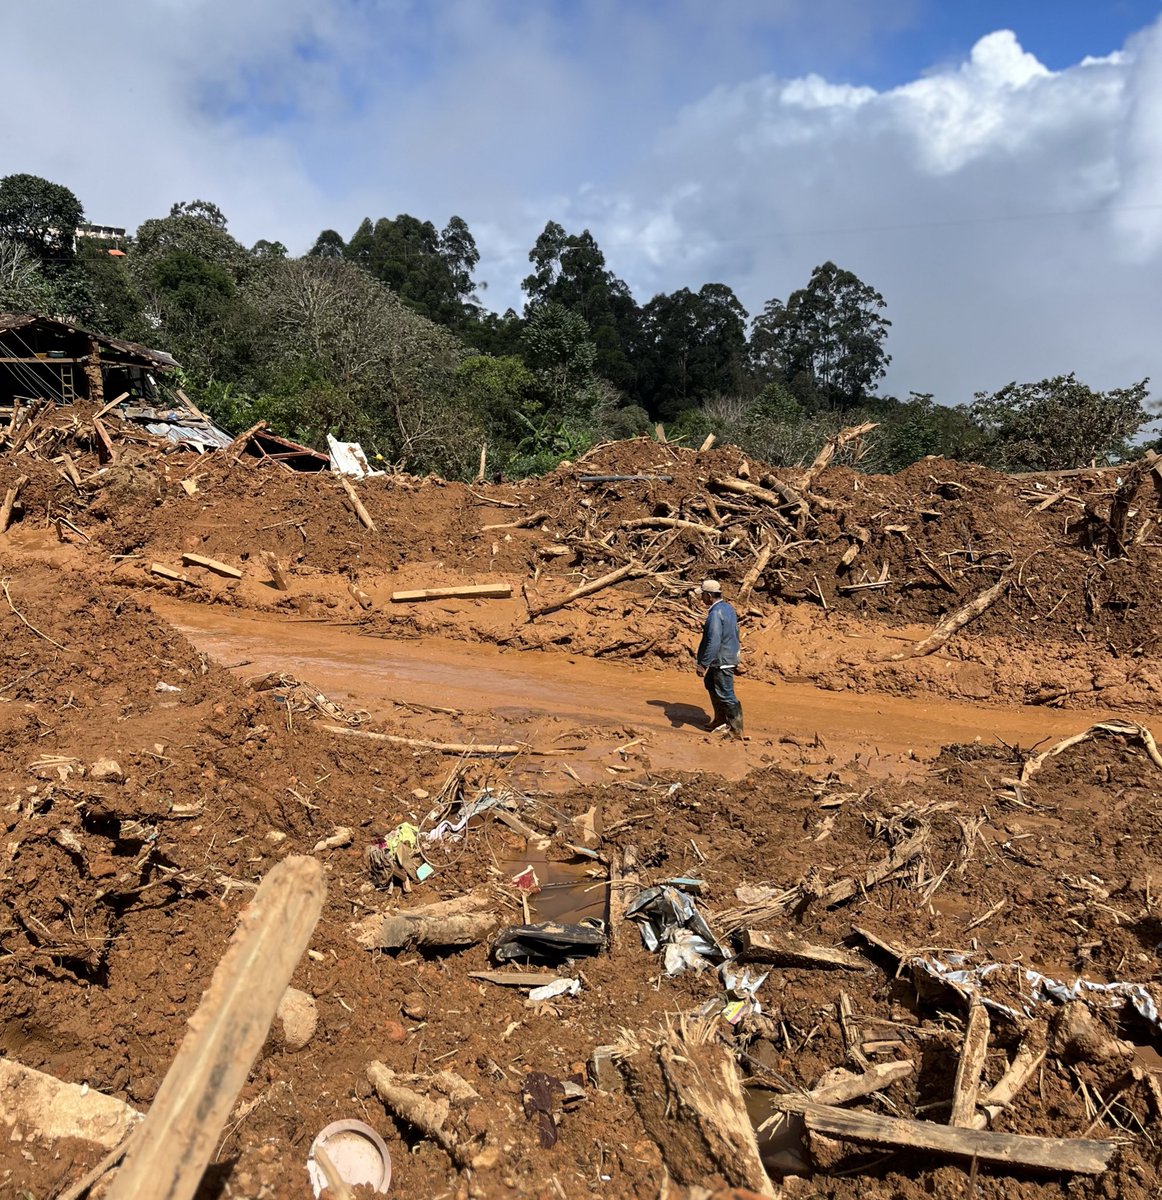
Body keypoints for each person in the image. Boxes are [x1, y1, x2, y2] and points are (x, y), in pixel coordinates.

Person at [695, 579, 743, 737]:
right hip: (727, 655)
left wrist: (703, 663)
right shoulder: (727, 608)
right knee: (710, 683)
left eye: (703, 596)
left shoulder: (715, 613)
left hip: (722, 659)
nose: (701, 599)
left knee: (726, 692)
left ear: (709, 596)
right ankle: (720, 719)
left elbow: (713, 640)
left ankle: (736, 729)